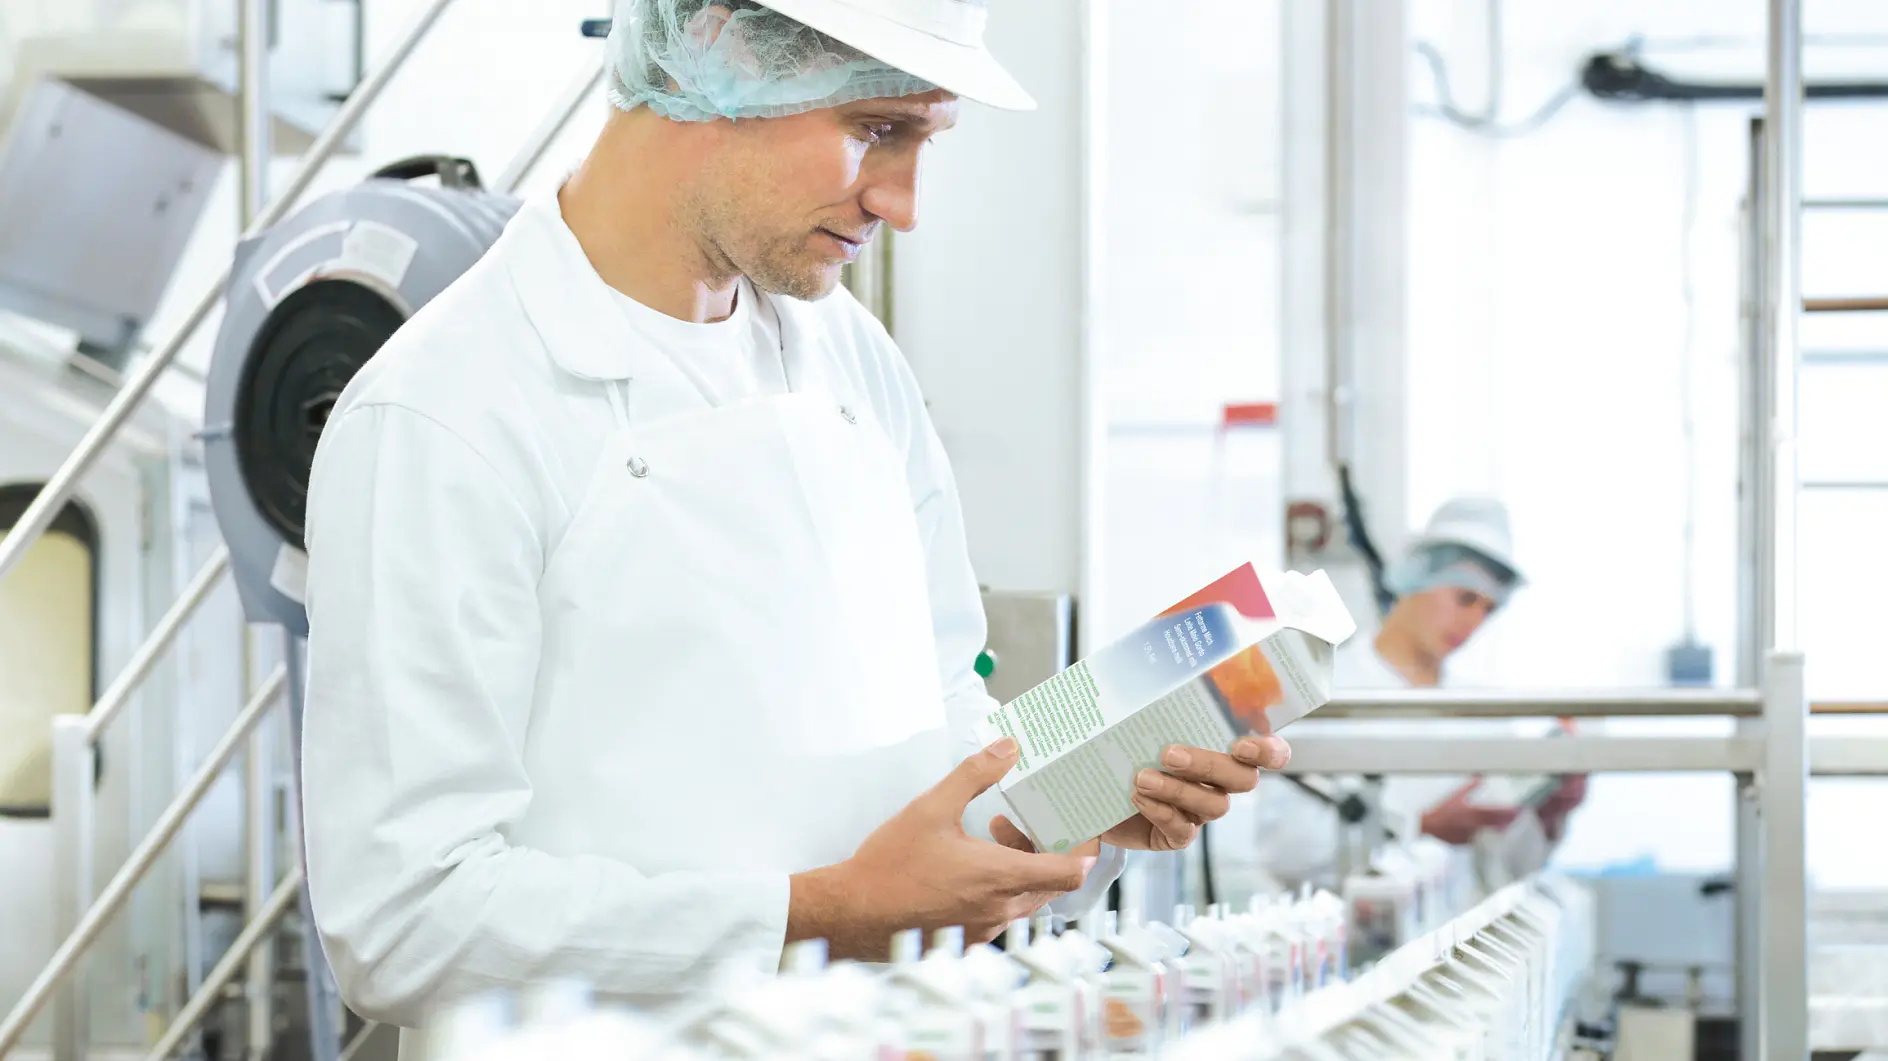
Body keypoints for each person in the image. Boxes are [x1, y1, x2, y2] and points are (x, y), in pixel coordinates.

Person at [298, 0, 1292, 1049]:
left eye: (924, 138)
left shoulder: (852, 361)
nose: (902, 204)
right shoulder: (447, 411)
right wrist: (815, 914)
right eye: (876, 130)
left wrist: (1071, 813)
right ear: (719, 50)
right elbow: (405, 919)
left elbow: (944, 730)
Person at [1248, 497, 1586, 895]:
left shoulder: (1484, 713)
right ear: (1417, 577)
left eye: (1488, 609)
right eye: (1464, 598)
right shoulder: (1328, 690)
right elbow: (1284, 851)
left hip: (1454, 944)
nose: (1473, 621)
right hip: (1348, 940)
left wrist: (1550, 814)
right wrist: (1418, 826)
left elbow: (1505, 871)